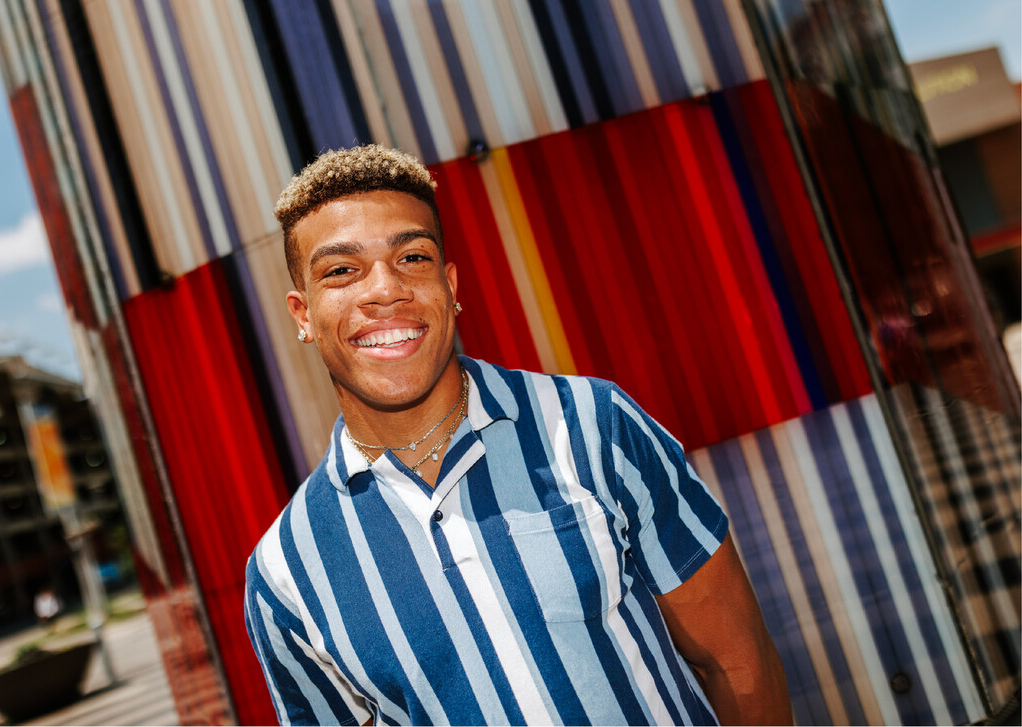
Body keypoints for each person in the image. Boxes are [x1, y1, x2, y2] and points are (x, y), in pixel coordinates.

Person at [245, 144, 791, 726]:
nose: (385, 289)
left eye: (413, 257)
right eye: (341, 270)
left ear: (451, 286)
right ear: (302, 314)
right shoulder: (284, 572)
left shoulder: (594, 426)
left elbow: (738, 663)